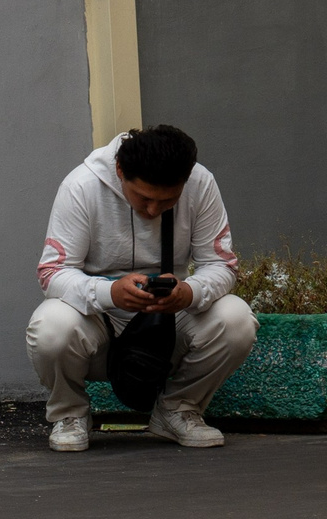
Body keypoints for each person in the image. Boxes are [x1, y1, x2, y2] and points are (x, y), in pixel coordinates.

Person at [28, 125, 257, 453]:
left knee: (237, 320)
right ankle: (69, 414)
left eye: (168, 201)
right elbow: (52, 273)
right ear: (120, 170)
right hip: (99, 322)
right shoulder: (81, 186)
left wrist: (188, 292)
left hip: (169, 319)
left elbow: (221, 265)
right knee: (50, 326)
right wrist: (109, 293)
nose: (153, 210)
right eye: (144, 198)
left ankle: (178, 410)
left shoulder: (200, 183)